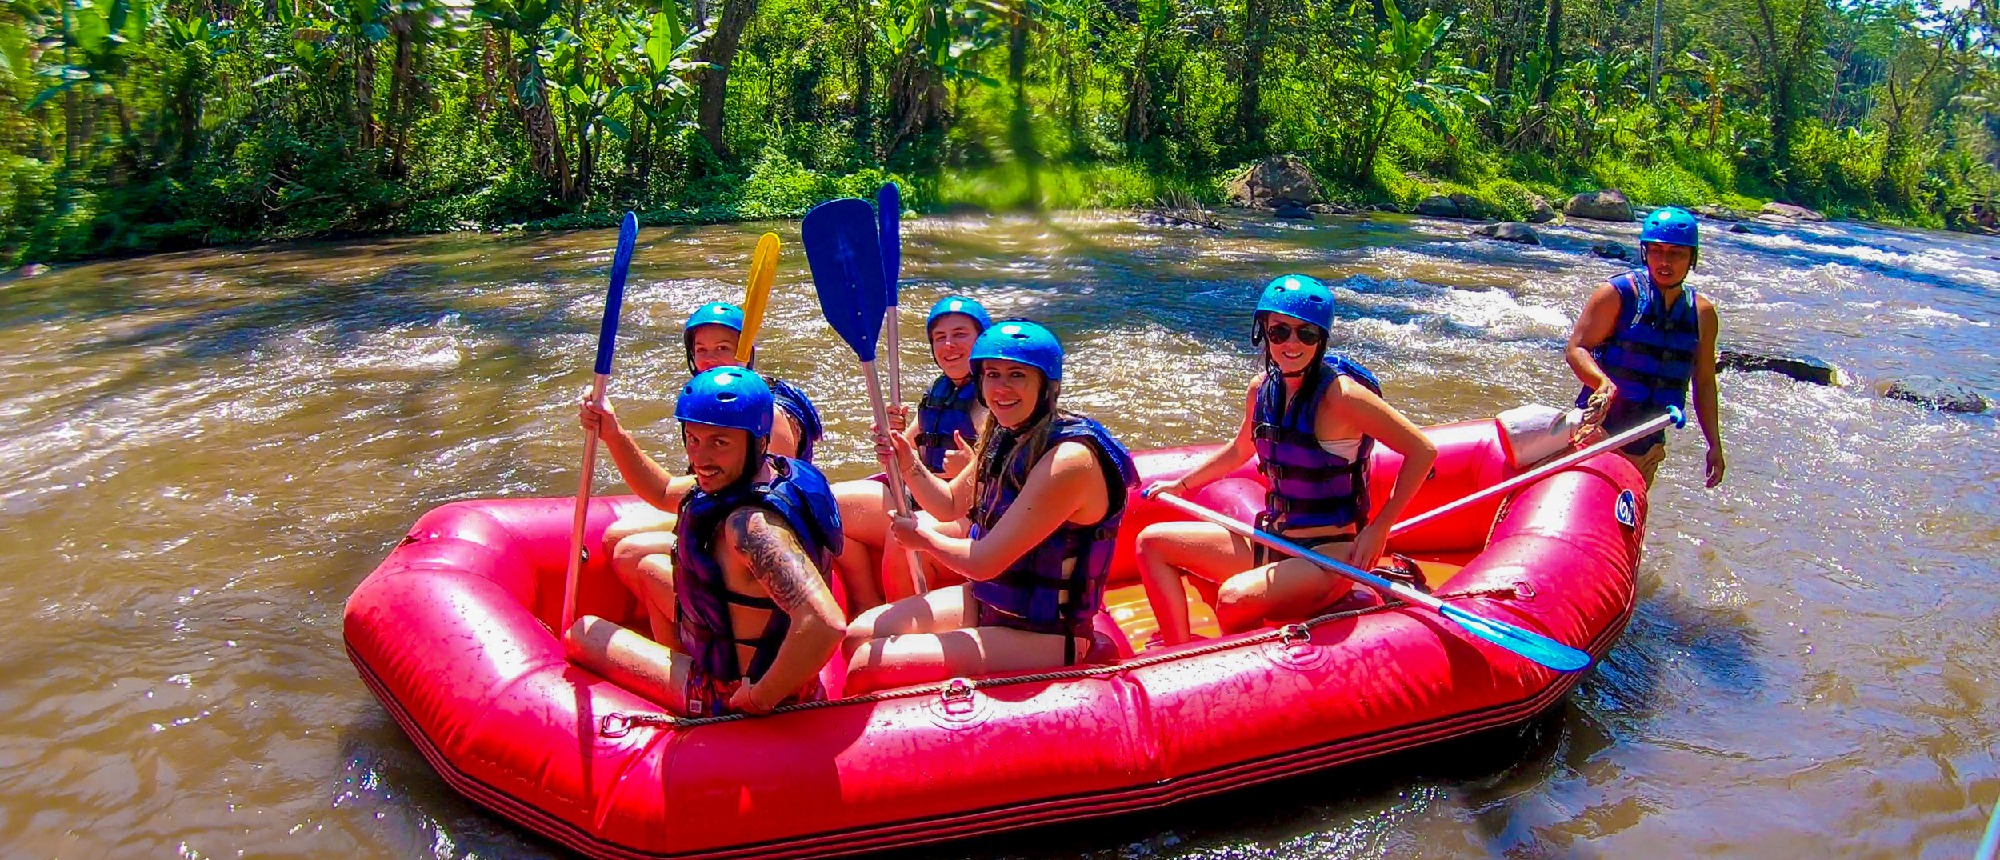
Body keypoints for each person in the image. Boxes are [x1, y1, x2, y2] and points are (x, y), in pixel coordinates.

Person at [1132, 275, 1439, 646]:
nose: (1292, 344)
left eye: (1306, 334)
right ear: (1264, 330)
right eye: (1280, 332)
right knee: (1151, 542)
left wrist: (1379, 528)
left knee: (1233, 597)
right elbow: (1240, 449)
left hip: (1331, 554)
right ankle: (1177, 651)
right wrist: (1181, 486)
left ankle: (1240, 673)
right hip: (1274, 538)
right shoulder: (1261, 388)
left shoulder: (1342, 396)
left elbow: (1422, 450)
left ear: (1321, 339)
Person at [841, 321, 1138, 690]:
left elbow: (983, 562)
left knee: (865, 667)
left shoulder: (1069, 460)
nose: (1001, 388)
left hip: (1046, 632)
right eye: (992, 374)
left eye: (1017, 375)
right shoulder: (1002, 434)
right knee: (856, 636)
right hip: (989, 602)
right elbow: (949, 504)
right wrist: (907, 461)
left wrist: (922, 538)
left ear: (1046, 386)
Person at [565, 368, 847, 717]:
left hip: (735, 692)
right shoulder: (765, 472)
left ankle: (691, 703)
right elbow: (664, 491)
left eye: (719, 442)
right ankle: (681, 669)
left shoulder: (752, 528)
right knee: (651, 570)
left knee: (582, 633)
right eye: (693, 439)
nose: (700, 457)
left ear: (758, 441)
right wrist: (614, 433)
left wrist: (761, 697)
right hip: (751, 657)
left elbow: (826, 623)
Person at [594, 301, 827, 618]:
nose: (709, 360)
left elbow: (770, 507)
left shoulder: (768, 416)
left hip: (755, 534)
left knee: (629, 552)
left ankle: (696, 637)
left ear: (745, 353)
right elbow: (668, 492)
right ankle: (684, 626)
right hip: (724, 513)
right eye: (701, 349)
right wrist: (612, 433)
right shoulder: (710, 405)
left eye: (722, 348)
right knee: (615, 537)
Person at [830, 296, 992, 609]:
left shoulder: (990, 399)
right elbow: (900, 451)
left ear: (981, 340)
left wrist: (971, 465)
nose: (949, 345)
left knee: (903, 534)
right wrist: (890, 435)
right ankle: (867, 604)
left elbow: (1003, 470)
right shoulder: (941, 392)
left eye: (960, 335)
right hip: (922, 499)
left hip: (968, 516)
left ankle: (902, 622)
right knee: (830, 507)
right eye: (939, 338)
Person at [1565, 206, 1725, 488]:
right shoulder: (1617, 294)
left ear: (1691, 258)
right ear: (1644, 252)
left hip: (1649, 444)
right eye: (1656, 251)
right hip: (1597, 434)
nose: (1665, 261)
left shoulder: (1702, 313)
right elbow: (1577, 349)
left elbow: (1704, 382)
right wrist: (1601, 383)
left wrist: (1714, 444)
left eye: (1676, 253)